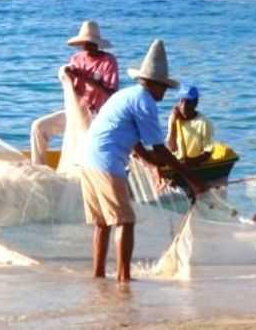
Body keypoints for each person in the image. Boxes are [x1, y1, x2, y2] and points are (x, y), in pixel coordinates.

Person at [81, 39, 204, 282]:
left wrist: (154, 168)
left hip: (87, 160)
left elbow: (136, 143)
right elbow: (160, 149)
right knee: (125, 221)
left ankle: (98, 276)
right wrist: (191, 179)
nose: (164, 94)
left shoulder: (125, 95)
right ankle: (124, 278)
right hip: (107, 163)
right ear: (155, 85)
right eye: (164, 89)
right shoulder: (145, 102)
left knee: (103, 223)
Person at [30, 20, 118, 166]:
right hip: (76, 114)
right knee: (39, 127)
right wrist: (67, 75)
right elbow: (75, 89)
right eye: (85, 43)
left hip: (97, 116)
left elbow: (111, 93)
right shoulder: (77, 59)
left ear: (98, 43)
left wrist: (86, 78)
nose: (88, 47)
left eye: (91, 43)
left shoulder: (108, 61)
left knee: (86, 148)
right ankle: (38, 168)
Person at [165, 85, 214, 166]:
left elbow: (208, 153)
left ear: (195, 103)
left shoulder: (203, 123)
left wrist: (190, 161)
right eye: (181, 101)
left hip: (194, 164)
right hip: (177, 162)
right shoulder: (174, 118)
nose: (183, 106)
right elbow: (172, 148)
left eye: (187, 102)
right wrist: (173, 122)